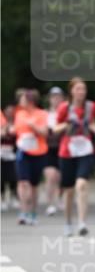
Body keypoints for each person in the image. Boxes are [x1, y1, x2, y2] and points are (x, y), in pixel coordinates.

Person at [53, 77, 95, 236]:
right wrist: (66, 125)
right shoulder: (64, 107)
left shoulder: (90, 107)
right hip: (67, 151)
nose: (81, 92)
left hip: (85, 150)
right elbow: (56, 128)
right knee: (69, 190)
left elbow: (92, 122)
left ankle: (82, 222)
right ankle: (67, 222)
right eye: (78, 89)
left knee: (81, 185)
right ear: (72, 91)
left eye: (83, 89)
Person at [13, 89, 49, 225]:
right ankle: (23, 211)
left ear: (30, 100)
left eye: (22, 98)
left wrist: (33, 126)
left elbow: (45, 133)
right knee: (23, 183)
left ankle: (33, 212)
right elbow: (17, 131)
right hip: (23, 153)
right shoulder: (19, 114)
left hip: (38, 153)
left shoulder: (41, 114)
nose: (20, 101)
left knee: (33, 185)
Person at [44, 86, 66, 215]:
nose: (56, 99)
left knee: (61, 176)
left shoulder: (66, 113)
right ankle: (50, 203)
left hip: (63, 147)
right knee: (51, 176)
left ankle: (60, 197)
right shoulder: (45, 114)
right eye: (53, 97)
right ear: (50, 99)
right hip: (48, 148)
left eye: (58, 97)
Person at [1, 105, 19, 211]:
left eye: (11, 111)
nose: (9, 113)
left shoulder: (17, 123)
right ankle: (2, 199)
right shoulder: (1, 123)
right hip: (1, 154)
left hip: (12, 154)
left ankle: (13, 197)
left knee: (13, 177)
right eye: (7, 111)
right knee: (1, 178)